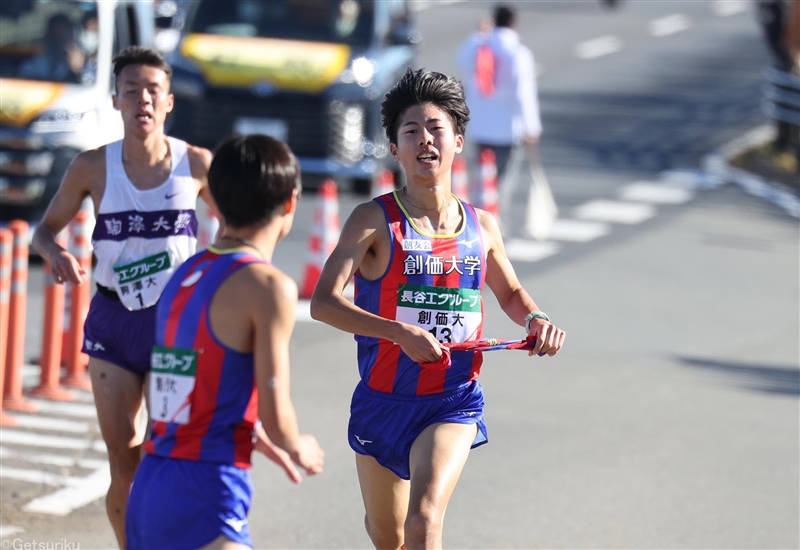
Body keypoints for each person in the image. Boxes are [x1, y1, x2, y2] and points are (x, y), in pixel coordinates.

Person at [310, 68, 566, 550]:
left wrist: (537, 319)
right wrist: (397, 333)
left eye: (436, 129)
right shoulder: (373, 221)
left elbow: (511, 295)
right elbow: (324, 303)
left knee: (424, 522)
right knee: (389, 536)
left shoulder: (481, 226)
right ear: (394, 149)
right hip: (382, 400)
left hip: (452, 398)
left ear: (458, 142)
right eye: (411, 132)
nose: (425, 140)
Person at [32, 46, 218, 548]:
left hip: (176, 325)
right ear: (115, 100)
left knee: (166, 451)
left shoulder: (197, 165)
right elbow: (43, 231)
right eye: (131, 90)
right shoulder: (92, 167)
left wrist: (223, 274)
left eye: (153, 90)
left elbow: (244, 231)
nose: (143, 99)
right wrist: (55, 254)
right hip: (114, 321)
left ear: (170, 101)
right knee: (125, 458)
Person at [126, 134, 324, 550]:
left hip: (151, 480)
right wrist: (296, 443)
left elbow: (176, 382)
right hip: (207, 484)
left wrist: (250, 431)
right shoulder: (268, 286)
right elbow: (275, 406)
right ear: (291, 203)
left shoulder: (186, 273)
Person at [456, 4, 541, 183]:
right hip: (507, 130)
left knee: (482, 181)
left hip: (480, 126)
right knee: (502, 182)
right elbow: (523, 94)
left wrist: (478, 33)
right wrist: (531, 127)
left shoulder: (478, 47)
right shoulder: (518, 54)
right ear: (513, 23)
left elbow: (460, 60)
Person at [20, 13, 86, 84]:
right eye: (56, 36)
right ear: (48, 35)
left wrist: (76, 71)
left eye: (63, 37)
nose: (59, 43)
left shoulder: (82, 62)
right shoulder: (33, 62)